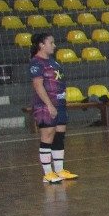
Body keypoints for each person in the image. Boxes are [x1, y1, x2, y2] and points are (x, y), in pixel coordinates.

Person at [29, 33, 77, 183]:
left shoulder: (54, 62)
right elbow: (38, 85)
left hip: (60, 104)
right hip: (46, 105)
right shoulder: (36, 63)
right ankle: (47, 173)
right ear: (41, 45)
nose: (54, 45)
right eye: (51, 42)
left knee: (59, 136)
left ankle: (59, 170)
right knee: (47, 136)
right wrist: (49, 105)